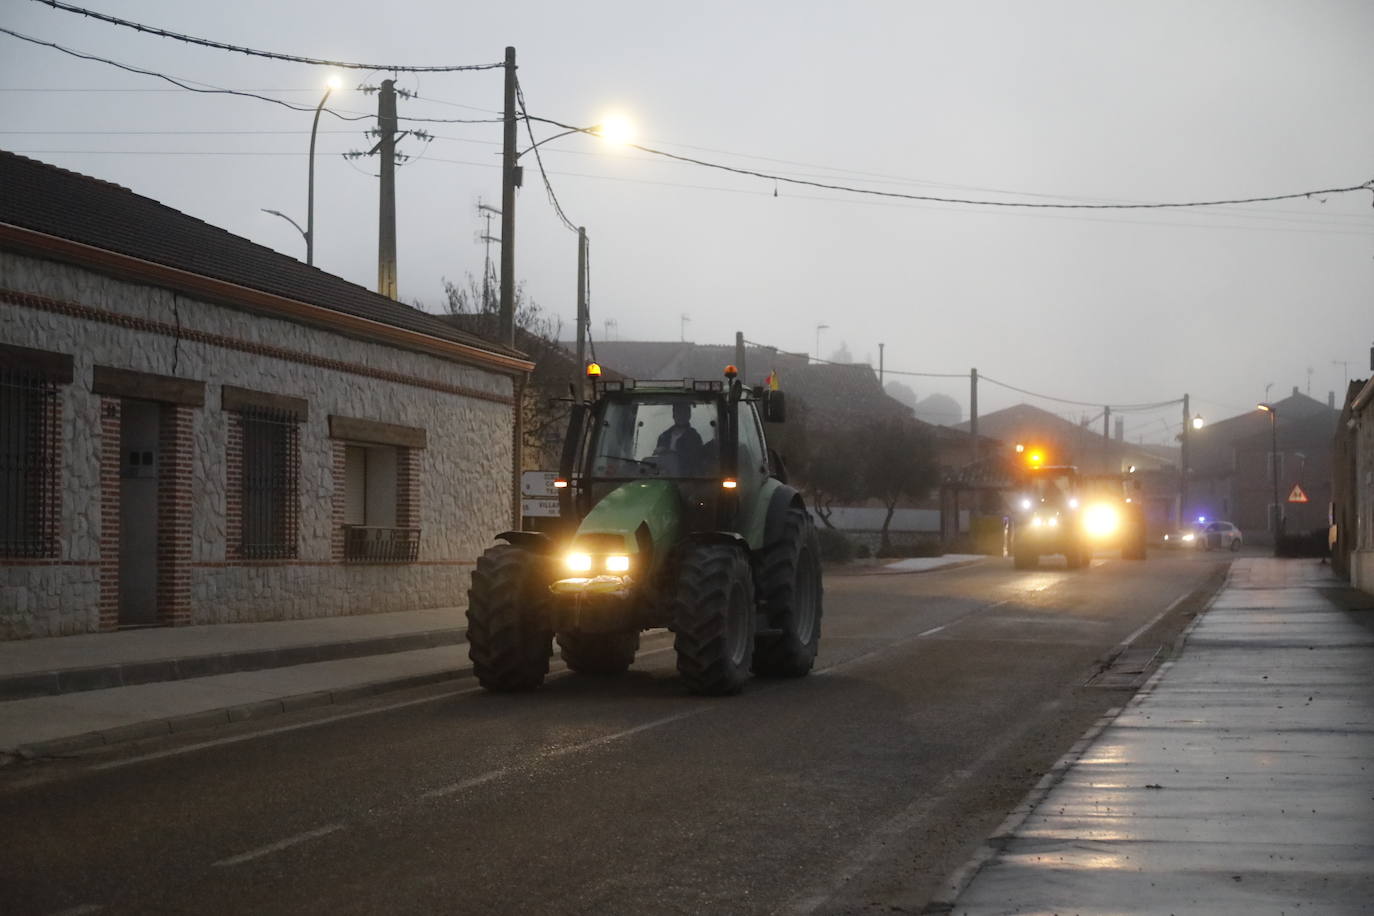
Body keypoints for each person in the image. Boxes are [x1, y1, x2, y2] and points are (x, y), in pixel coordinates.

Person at [653, 401, 703, 471]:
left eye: (684, 413)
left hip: (686, 477)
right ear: (673, 415)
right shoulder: (664, 436)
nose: (681, 416)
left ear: (689, 415)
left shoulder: (694, 437)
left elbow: (694, 460)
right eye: (678, 413)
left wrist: (668, 452)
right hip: (664, 475)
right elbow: (658, 459)